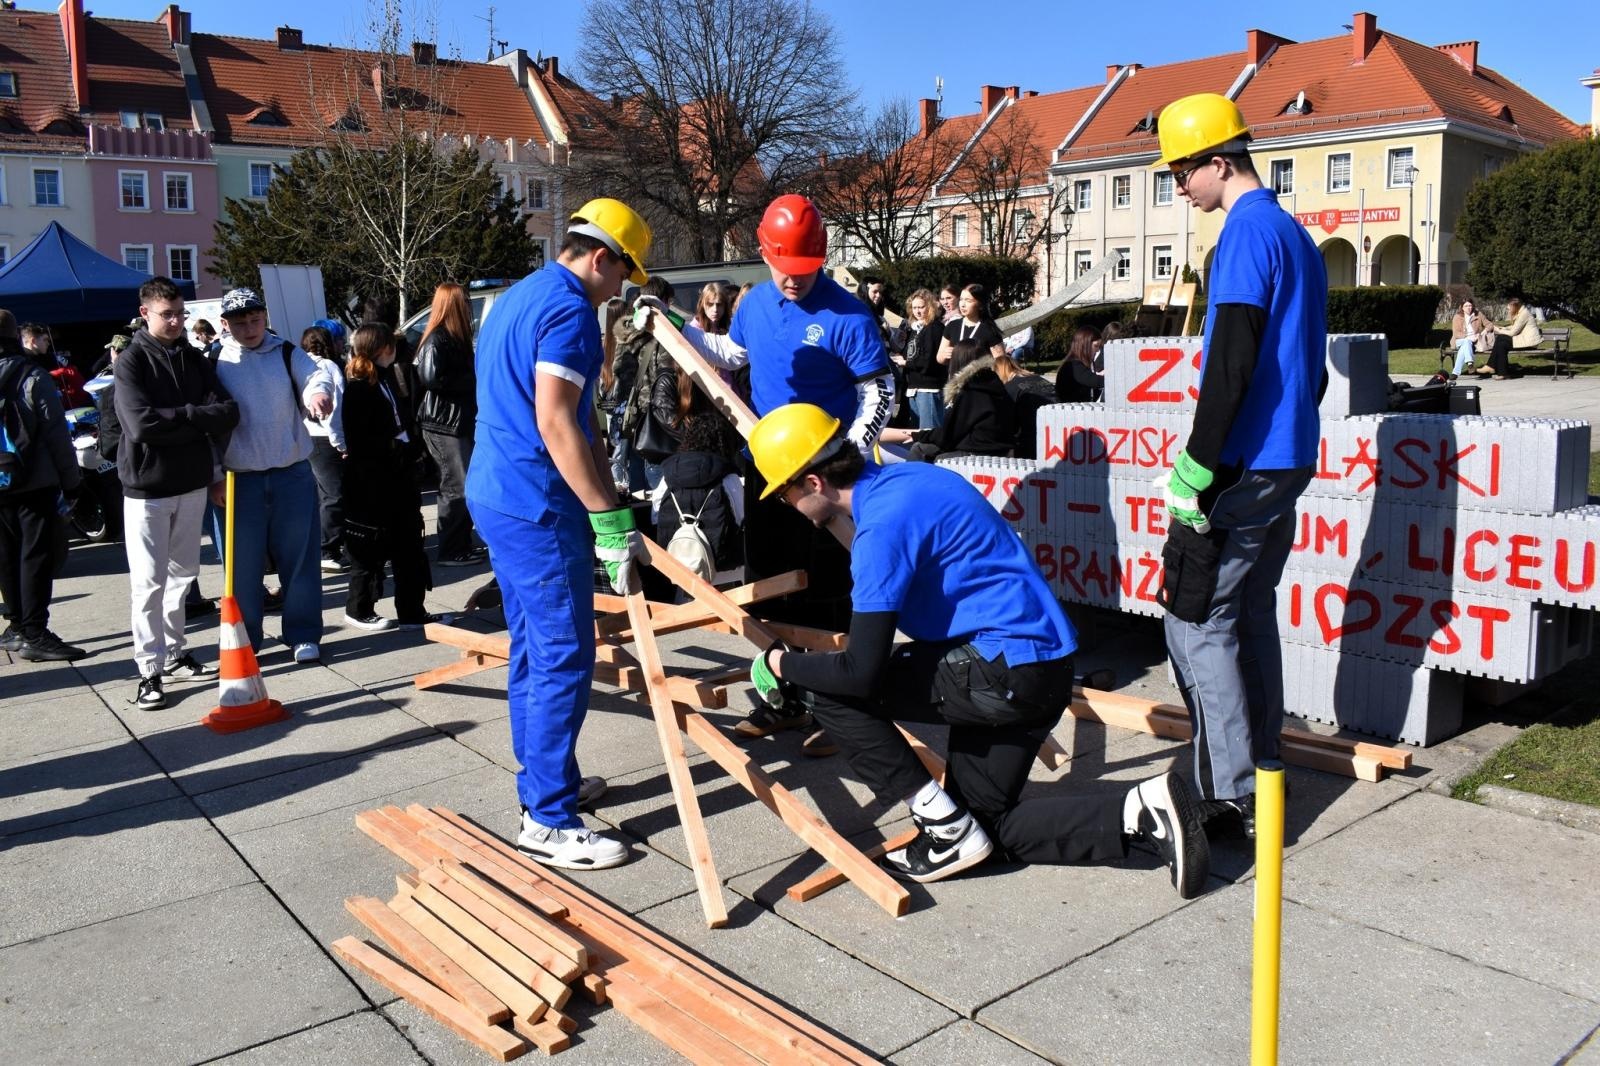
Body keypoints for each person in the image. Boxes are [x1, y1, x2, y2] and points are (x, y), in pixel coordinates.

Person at [744, 404, 1210, 894]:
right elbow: (868, 542)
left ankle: (939, 825)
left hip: (1000, 672)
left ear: (814, 483)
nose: (787, 506)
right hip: (1039, 670)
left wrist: (780, 662)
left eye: (786, 494)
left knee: (828, 688)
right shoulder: (913, 482)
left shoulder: (882, 529)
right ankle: (1140, 810)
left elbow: (860, 671)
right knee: (983, 833)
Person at [1151, 92, 1328, 839]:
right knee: (1250, 614)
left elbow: (1231, 364)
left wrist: (1199, 466)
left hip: (1242, 463)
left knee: (1195, 622)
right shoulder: (1295, 236)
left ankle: (1233, 795)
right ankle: (1265, 769)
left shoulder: (1244, 239)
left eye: (1183, 170)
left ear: (1219, 162)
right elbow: (1309, 370)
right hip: (1284, 457)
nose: (1179, 185)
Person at [465, 197, 652, 870]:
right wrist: (606, 521)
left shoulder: (519, 294)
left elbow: (571, 419)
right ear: (601, 258)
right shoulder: (572, 310)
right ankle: (545, 817)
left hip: (497, 491)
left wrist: (611, 504)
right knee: (565, 653)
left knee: (531, 648)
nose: (624, 290)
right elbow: (556, 422)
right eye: (625, 275)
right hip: (537, 501)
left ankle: (551, 784)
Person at [719, 193, 894, 751]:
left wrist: (852, 450)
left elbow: (880, 390)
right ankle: (786, 698)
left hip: (826, 475)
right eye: (783, 269)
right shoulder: (752, 305)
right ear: (764, 254)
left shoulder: (847, 315)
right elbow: (731, 355)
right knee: (770, 585)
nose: (793, 280)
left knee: (829, 589)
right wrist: (673, 329)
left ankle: (840, 710)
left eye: (805, 270)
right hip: (769, 471)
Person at [113, 277, 239, 708]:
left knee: (183, 576)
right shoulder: (130, 361)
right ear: (145, 312)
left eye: (180, 313)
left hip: (192, 482)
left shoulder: (192, 357)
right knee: (148, 584)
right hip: (147, 489)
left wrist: (181, 416)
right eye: (167, 314)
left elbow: (227, 411)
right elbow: (140, 425)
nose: (176, 321)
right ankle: (148, 670)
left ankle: (174, 651)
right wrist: (195, 417)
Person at [210, 287, 336, 661]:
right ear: (225, 324)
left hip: (290, 472)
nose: (250, 329)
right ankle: (246, 641)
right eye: (240, 322)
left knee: (299, 560)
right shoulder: (214, 359)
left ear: (265, 317)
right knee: (241, 570)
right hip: (237, 480)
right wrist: (215, 473)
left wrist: (317, 394)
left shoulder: (285, 351)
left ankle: (302, 634)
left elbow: (316, 376)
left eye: (255, 320)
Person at [340, 323, 448, 631]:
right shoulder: (360, 386)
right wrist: (398, 448)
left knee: (409, 543)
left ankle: (412, 609)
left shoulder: (386, 379)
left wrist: (411, 449)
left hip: (399, 476)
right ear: (382, 349)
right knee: (370, 549)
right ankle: (359, 608)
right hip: (373, 481)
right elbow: (363, 440)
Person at [0, 309, 87, 661]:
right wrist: (72, 483)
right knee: (36, 556)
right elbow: (56, 435)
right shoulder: (31, 375)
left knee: (5, 555)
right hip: (34, 481)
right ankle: (35, 631)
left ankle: (17, 625)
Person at [415, 283, 485, 567]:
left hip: (456, 421)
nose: (469, 308)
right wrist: (471, 382)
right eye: (465, 302)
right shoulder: (438, 339)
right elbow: (431, 378)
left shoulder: (453, 338)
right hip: (444, 424)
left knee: (463, 484)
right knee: (456, 485)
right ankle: (451, 548)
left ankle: (461, 543)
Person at [882, 341, 1015, 461]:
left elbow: (949, 436)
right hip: (999, 448)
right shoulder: (992, 384)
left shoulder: (971, 391)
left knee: (920, 449)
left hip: (980, 452)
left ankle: (913, 486)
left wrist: (920, 435)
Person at [300, 326, 350, 572]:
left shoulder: (298, 365)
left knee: (323, 495)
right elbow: (335, 408)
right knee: (334, 495)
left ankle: (328, 546)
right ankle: (326, 548)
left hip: (307, 438)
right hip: (324, 438)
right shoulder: (327, 367)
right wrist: (340, 442)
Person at [900, 289, 947, 430]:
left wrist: (906, 363)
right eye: (914, 308)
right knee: (918, 432)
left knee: (929, 432)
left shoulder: (934, 328)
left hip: (929, 387)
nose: (917, 311)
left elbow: (929, 360)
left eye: (921, 307)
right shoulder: (916, 328)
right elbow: (911, 353)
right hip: (915, 386)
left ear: (930, 307)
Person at [936, 284, 1006, 368]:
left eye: (968, 301)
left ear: (979, 304)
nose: (962, 305)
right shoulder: (952, 326)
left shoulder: (989, 330)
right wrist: (944, 355)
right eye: (961, 299)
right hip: (956, 379)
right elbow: (939, 358)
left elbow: (1002, 364)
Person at [1480, 298, 1539, 379]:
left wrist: (1499, 330)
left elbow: (1512, 333)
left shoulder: (1524, 314)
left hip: (1529, 342)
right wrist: (1502, 328)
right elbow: (1515, 327)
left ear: (1514, 306)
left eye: (1509, 308)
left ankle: (1492, 366)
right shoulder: (1521, 312)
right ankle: (1502, 373)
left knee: (1501, 338)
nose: (1508, 310)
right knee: (1501, 344)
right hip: (1523, 340)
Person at [1448, 298, 1495, 381]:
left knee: (1465, 347)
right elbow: (1456, 333)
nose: (1469, 307)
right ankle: (1470, 363)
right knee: (1466, 341)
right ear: (1462, 307)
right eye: (1466, 306)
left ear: (1473, 306)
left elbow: (1490, 325)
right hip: (1459, 340)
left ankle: (1455, 373)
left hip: (1474, 341)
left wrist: (1482, 333)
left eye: (1470, 305)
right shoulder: (1457, 317)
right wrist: (1468, 337)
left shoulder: (1478, 314)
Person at [1056, 325, 1106, 403]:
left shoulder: (1076, 363)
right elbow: (1096, 382)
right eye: (1096, 346)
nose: (1097, 350)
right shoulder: (1074, 365)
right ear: (1085, 345)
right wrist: (1110, 376)